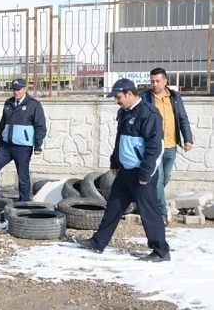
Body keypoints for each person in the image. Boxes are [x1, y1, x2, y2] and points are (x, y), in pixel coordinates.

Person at [77, 78, 170, 262]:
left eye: (118, 97)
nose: (116, 100)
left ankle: (161, 251)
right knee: (113, 207)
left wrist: (145, 173)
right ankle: (98, 242)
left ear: (129, 93)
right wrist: (115, 161)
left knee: (148, 212)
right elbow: (121, 140)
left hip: (142, 174)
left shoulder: (148, 113)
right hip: (125, 171)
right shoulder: (124, 112)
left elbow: (155, 147)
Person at [140, 67, 194, 223]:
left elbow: (182, 118)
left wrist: (188, 139)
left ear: (165, 81)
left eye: (157, 81)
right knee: (157, 179)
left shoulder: (175, 97)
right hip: (154, 146)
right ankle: (161, 213)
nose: (154, 84)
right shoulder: (145, 97)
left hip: (171, 144)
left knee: (166, 177)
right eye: (152, 81)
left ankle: (147, 201)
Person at [0, 78, 46, 202]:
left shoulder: (34, 104)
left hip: (23, 147)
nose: (16, 92)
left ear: (25, 89)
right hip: (6, 146)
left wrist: (38, 145)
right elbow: (3, 124)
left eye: (18, 89)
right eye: (14, 89)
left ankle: (23, 202)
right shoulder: (8, 103)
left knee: (23, 176)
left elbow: (40, 126)